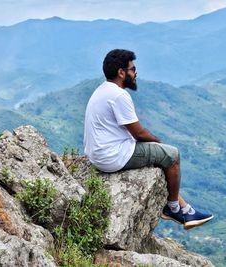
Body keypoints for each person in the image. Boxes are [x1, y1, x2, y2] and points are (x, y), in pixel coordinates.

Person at [84, 49, 213, 230]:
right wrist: (159, 144)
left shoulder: (102, 90)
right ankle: (173, 208)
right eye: (132, 69)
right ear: (121, 72)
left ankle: (185, 208)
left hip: (99, 155)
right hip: (112, 157)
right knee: (172, 155)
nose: (135, 73)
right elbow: (139, 133)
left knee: (159, 154)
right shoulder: (119, 95)